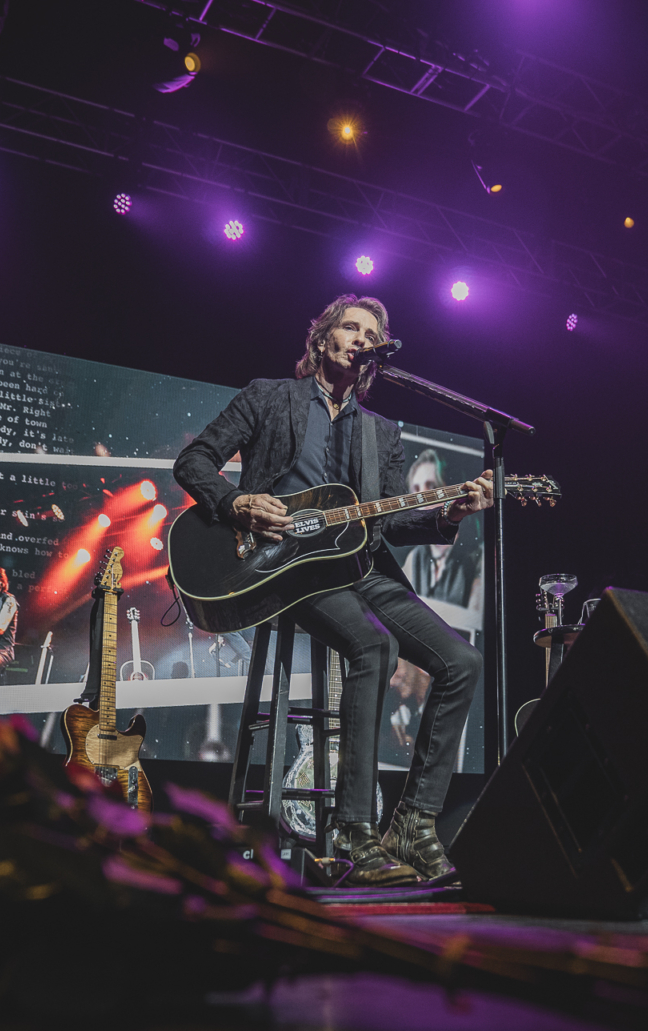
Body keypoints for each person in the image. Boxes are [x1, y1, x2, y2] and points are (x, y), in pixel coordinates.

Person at [173, 294, 492, 887]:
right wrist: (236, 503)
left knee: (463, 661)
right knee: (375, 648)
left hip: (361, 568)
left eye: (373, 334)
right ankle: (352, 831)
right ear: (322, 339)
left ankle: (414, 825)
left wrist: (452, 514)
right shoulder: (270, 396)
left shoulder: (381, 431)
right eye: (351, 327)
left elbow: (392, 520)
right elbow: (194, 460)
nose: (362, 338)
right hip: (283, 565)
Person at [399, 449, 483, 611]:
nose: (421, 498)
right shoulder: (415, 558)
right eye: (416, 489)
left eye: (431, 487)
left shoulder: (478, 559)